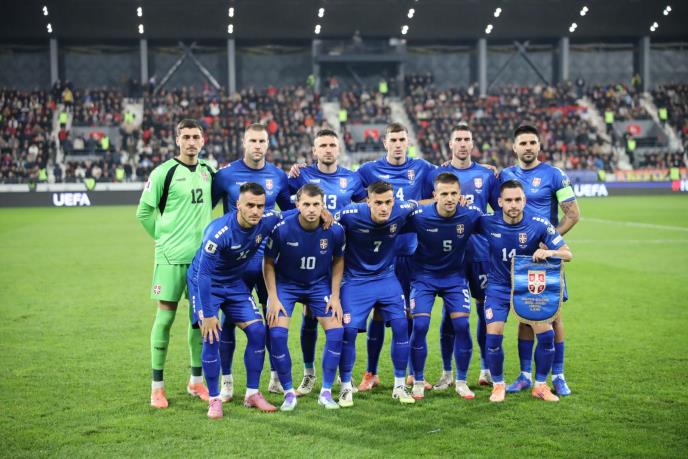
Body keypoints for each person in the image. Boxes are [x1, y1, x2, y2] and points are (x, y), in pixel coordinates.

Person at [191, 183, 293, 418]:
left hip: (234, 283)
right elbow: (203, 275)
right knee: (211, 335)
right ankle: (214, 399)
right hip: (206, 284)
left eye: (260, 206)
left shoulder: (266, 220)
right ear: (238, 204)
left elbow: (290, 213)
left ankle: (252, 394)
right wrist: (208, 315)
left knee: (258, 332)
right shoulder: (219, 232)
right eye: (250, 205)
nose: (255, 211)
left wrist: (323, 212)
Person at [136, 119, 215, 409]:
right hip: (170, 259)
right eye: (186, 137)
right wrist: (163, 239)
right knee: (165, 318)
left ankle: (196, 381)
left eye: (196, 136)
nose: (191, 142)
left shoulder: (209, 172)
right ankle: (157, 388)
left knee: (198, 321)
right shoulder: (163, 172)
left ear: (203, 140)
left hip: (201, 262)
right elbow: (143, 213)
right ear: (177, 140)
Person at [211, 123, 294, 400]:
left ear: (268, 144)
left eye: (262, 141)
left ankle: (274, 377)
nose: (257, 146)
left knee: (273, 317)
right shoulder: (225, 175)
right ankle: (227, 381)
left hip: (269, 259)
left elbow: (291, 211)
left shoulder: (278, 176)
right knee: (228, 321)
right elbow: (204, 209)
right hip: (235, 263)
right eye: (253, 141)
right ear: (244, 143)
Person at [500, 124, 580, 396]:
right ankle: (524, 375)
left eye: (532, 142)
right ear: (514, 147)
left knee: (553, 316)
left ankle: (558, 375)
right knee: (524, 316)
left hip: (546, 258)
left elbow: (573, 214)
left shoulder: (554, 175)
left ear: (539, 146)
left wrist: (550, 240)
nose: (528, 147)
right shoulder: (505, 175)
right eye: (523, 143)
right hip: (519, 257)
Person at [355, 122, 436, 392]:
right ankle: (371, 373)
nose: (398, 144)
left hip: (413, 252)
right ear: (385, 143)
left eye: (402, 139)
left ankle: (413, 373)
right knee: (379, 313)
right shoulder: (368, 170)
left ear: (408, 142)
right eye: (394, 140)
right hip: (382, 255)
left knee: (410, 314)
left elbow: (447, 182)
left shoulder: (423, 168)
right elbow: (350, 193)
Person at [287, 129, 366, 395]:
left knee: (342, 317)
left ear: (339, 148)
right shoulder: (302, 175)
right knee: (309, 316)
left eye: (332, 145)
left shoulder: (352, 179)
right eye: (323, 145)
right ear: (314, 150)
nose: (328, 149)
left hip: (343, 255)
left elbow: (364, 209)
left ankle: (345, 375)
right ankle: (309, 373)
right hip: (311, 256)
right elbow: (288, 205)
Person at [479, 179, 573, 403]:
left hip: (528, 287)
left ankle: (540, 385)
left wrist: (549, 253)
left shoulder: (538, 224)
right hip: (498, 288)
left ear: (525, 200)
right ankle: (498, 385)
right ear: (500, 202)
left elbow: (568, 253)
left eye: (518, 200)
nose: (513, 205)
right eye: (508, 200)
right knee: (493, 337)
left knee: (547, 335)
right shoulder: (487, 221)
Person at [429, 124, 500, 391]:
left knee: (484, 311)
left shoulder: (486, 174)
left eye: (466, 139)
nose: (462, 143)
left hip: (481, 254)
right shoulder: (437, 174)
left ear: (472, 144)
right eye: (457, 139)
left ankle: (485, 369)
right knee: (450, 313)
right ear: (450, 144)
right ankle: (447, 372)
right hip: (450, 255)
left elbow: (497, 211)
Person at [263, 184, 346, 411]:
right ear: (297, 205)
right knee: (276, 334)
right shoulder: (282, 229)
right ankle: (289, 393)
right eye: (306, 204)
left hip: (318, 285)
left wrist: (335, 296)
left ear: (323, 206)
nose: (311, 209)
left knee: (336, 332)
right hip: (287, 286)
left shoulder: (335, 230)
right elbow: (268, 262)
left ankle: (326, 392)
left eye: (316, 204)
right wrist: (273, 297)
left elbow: (339, 260)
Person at [335, 181, 418, 406]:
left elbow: (422, 204)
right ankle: (345, 387)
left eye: (388, 202)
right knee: (348, 331)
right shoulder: (350, 214)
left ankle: (399, 386)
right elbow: (328, 222)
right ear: (368, 201)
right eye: (378, 202)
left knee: (401, 325)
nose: (384, 207)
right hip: (355, 280)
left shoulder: (401, 209)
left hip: (386, 278)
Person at [403, 173, 482, 400]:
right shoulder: (419, 215)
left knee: (462, 325)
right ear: (434, 196)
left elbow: (499, 228)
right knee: (419, 326)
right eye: (444, 193)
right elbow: (391, 223)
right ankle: (418, 380)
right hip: (424, 277)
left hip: (454, 278)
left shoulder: (471, 214)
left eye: (453, 193)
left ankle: (461, 381)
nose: (449, 198)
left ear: (460, 195)